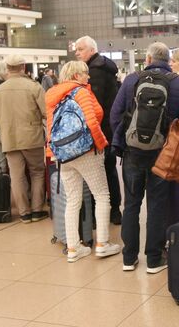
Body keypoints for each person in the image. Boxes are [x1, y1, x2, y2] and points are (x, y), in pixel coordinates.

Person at [110, 41, 179, 273]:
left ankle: (129, 258)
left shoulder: (131, 80)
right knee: (157, 205)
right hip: (162, 154)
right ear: (169, 61)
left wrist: (125, 141)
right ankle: (154, 259)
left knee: (131, 204)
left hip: (132, 152)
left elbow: (115, 115)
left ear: (147, 59)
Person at [46, 61, 122, 263]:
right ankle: (103, 244)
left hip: (63, 154)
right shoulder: (82, 92)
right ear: (76, 75)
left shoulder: (52, 95)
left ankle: (73, 248)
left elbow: (51, 126)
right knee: (102, 195)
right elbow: (92, 121)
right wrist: (101, 143)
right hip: (86, 150)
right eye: (85, 73)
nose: (88, 77)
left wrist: (52, 152)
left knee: (72, 200)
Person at [0, 55, 48, 224]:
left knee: (16, 176)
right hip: (31, 136)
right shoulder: (33, 87)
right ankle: (37, 210)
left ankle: (24, 213)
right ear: (23, 67)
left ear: (7, 68)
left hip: (8, 137)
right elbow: (46, 111)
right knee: (37, 172)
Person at [75, 36, 123, 225]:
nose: (77, 53)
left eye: (80, 49)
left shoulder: (94, 72)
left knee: (100, 174)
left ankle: (103, 213)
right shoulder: (105, 68)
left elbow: (94, 106)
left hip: (100, 130)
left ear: (91, 50)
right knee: (109, 171)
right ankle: (114, 211)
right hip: (109, 128)